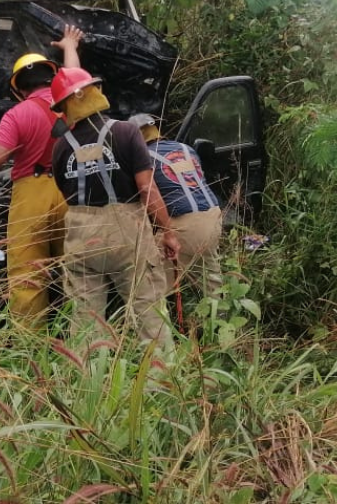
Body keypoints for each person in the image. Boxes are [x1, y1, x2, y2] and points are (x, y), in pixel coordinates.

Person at [49, 66, 179, 351]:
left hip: (81, 235)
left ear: (64, 107)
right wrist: (168, 231)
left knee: (86, 320)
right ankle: (160, 382)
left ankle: (90, 386)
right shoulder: (126, 132)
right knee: (148, 313)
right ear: (93, 92)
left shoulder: (60, 148)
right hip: (126, 233)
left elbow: (64, 192)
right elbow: (147, 188)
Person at [0, 31, 81, 328]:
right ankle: (82, 343)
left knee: (28, 277)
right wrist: (70, 46)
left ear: (17, 88)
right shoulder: (71, 105)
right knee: (78, 272)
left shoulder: (17, 114)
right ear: (50, 78)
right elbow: (76, 77)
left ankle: (32, 352)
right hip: (71, 192)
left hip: (31, 196)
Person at [128, 113, 225, 302]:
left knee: (148, 282)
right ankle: (220, 325)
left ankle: (154, 327)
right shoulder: (186, 149)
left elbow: (145, 193)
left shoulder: (143, 157)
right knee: (209, 277)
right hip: (213, 217)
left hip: (185, 223)